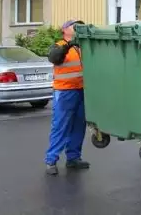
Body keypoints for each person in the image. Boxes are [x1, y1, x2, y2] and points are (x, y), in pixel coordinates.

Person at [44, 19, 90, 175]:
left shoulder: (81, 47)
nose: (77, 28)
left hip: (81, 91)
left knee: (79, 125)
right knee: (60, 126)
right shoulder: (59, 45)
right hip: (64, 92)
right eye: (74, 25)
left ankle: (73, 158)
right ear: (64, 29)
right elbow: (54, 57)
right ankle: (51, 160)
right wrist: (68, 45)